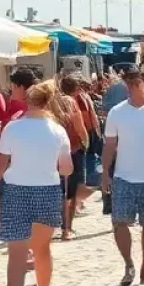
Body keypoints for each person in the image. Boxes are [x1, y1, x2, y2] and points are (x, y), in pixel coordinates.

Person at [0, 81, 73, 286]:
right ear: (48, 103)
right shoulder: (57, 130)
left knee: (16, 255)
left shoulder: (13, 128)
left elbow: (1, 162)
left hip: (16, 190)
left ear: (27, 101)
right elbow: (66, 168)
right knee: (42, 250)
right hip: (46, 191)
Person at [100, 66, 144, 286]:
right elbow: (110, 145)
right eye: (128, 83)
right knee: (119, 222)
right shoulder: (117, 112)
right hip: (123, 176)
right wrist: (105, 173)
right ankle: (129, 264)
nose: (132, 86)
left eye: (136, 82)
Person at [52, 78, 89, 238]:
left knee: (57, 190)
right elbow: (80, 128)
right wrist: (86, 143)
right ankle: (67, 229)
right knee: (71, 191)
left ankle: (56, 225)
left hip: (52, 151)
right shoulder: (70, 103)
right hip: (72, 149)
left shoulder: (51, 103)